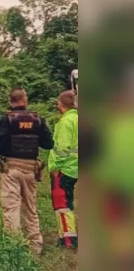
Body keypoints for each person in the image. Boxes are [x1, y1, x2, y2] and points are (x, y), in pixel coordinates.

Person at [0, 88, 54, 255]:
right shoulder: (37, 119)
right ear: (25, 101)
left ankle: (14, 249)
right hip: (30, 169)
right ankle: (35, 246)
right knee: (30, 207)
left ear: (10, 101)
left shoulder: (7, 119)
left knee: (11, 208)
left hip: (11, 168)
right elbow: (48, 144)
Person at [49, 89, 79, 248]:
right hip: (74, 168)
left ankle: (68, 239)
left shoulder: (66, 122)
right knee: (67, 201)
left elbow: (62, 147)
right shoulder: (78, 119)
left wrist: (56, 166)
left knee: (62, 205)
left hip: (63, 169)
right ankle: (69, 236)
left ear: (61, 104)